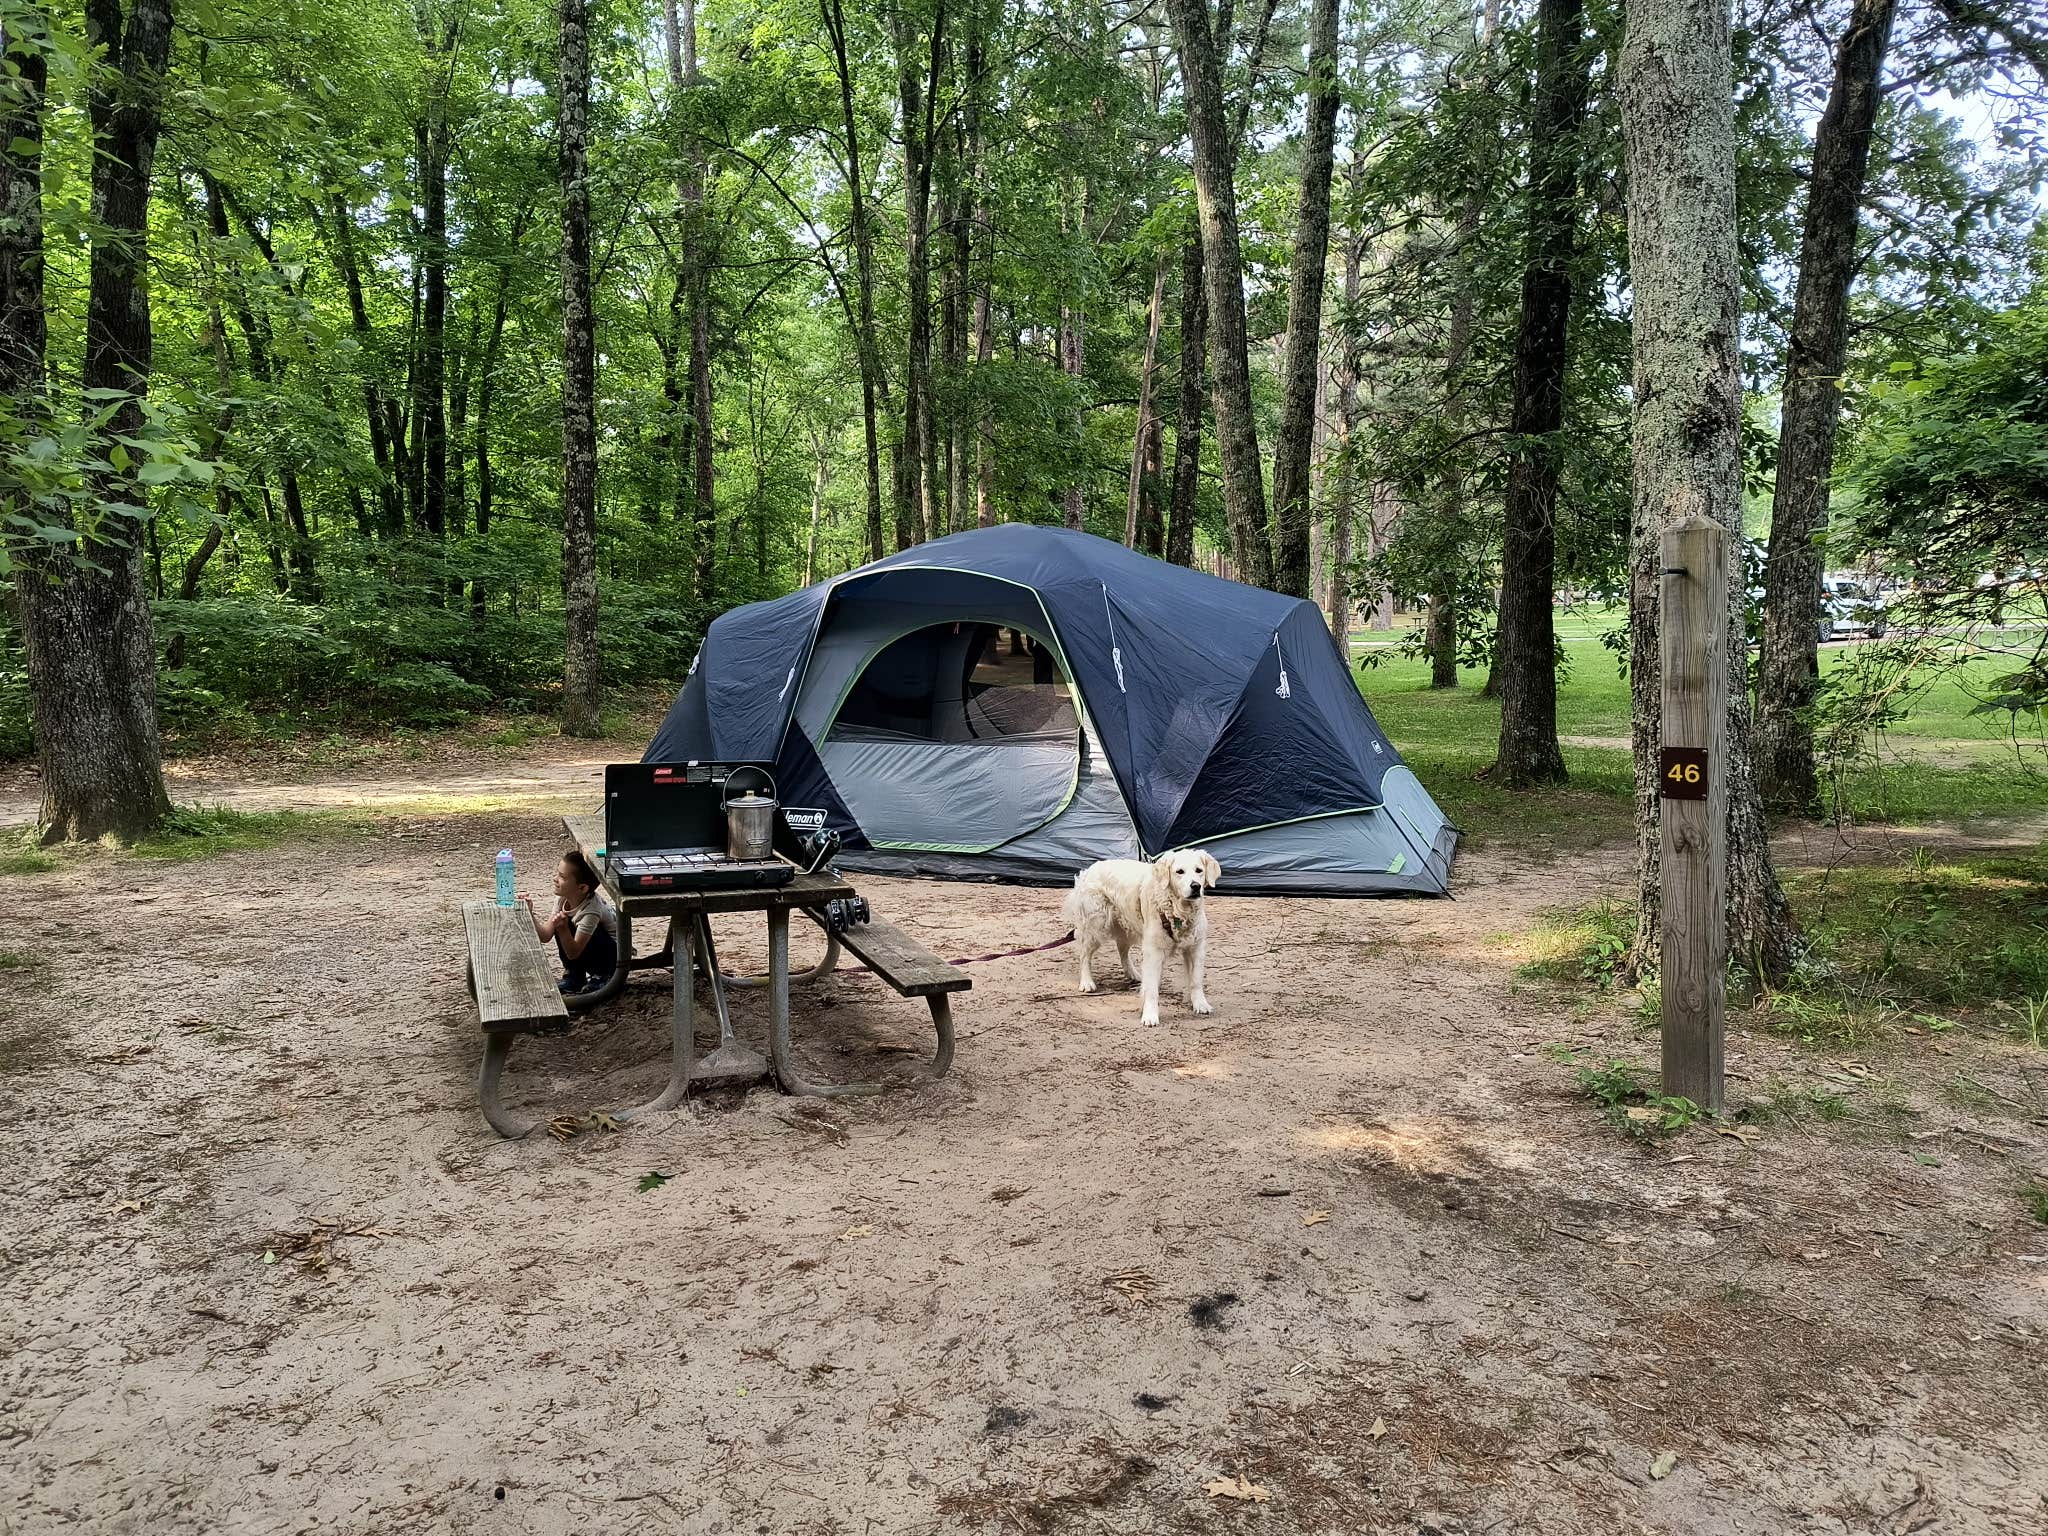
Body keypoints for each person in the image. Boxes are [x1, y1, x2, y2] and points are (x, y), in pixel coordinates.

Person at [534, 849, 618, 996]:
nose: (555, 879)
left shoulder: (591, 910)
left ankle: (602, 976)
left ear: (582, 888)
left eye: (562, 877)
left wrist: (563, 929)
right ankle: (575, 976)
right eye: (557, 873)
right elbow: (545, 935)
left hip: (612, 956)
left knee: (568, 925)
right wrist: (530, 913)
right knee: (561, 923)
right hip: (582, 947)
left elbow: (574, 953)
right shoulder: (562, 899)